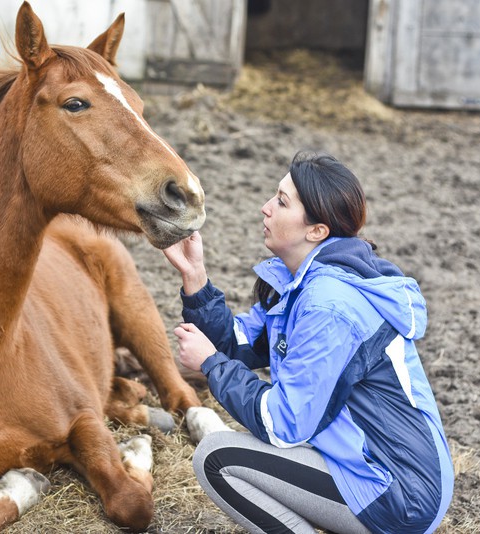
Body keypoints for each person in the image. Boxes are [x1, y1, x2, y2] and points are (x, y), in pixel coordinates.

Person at [163, 151, 453, 534]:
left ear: (316, 231)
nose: (265, 208)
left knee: (217, 456)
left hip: (399, 494)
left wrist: (211, 365)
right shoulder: (302, 283)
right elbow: (237, 344)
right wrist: (196, 279)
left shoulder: (328, 307)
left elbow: (282, 424)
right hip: (384, 473)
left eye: (281, 202)